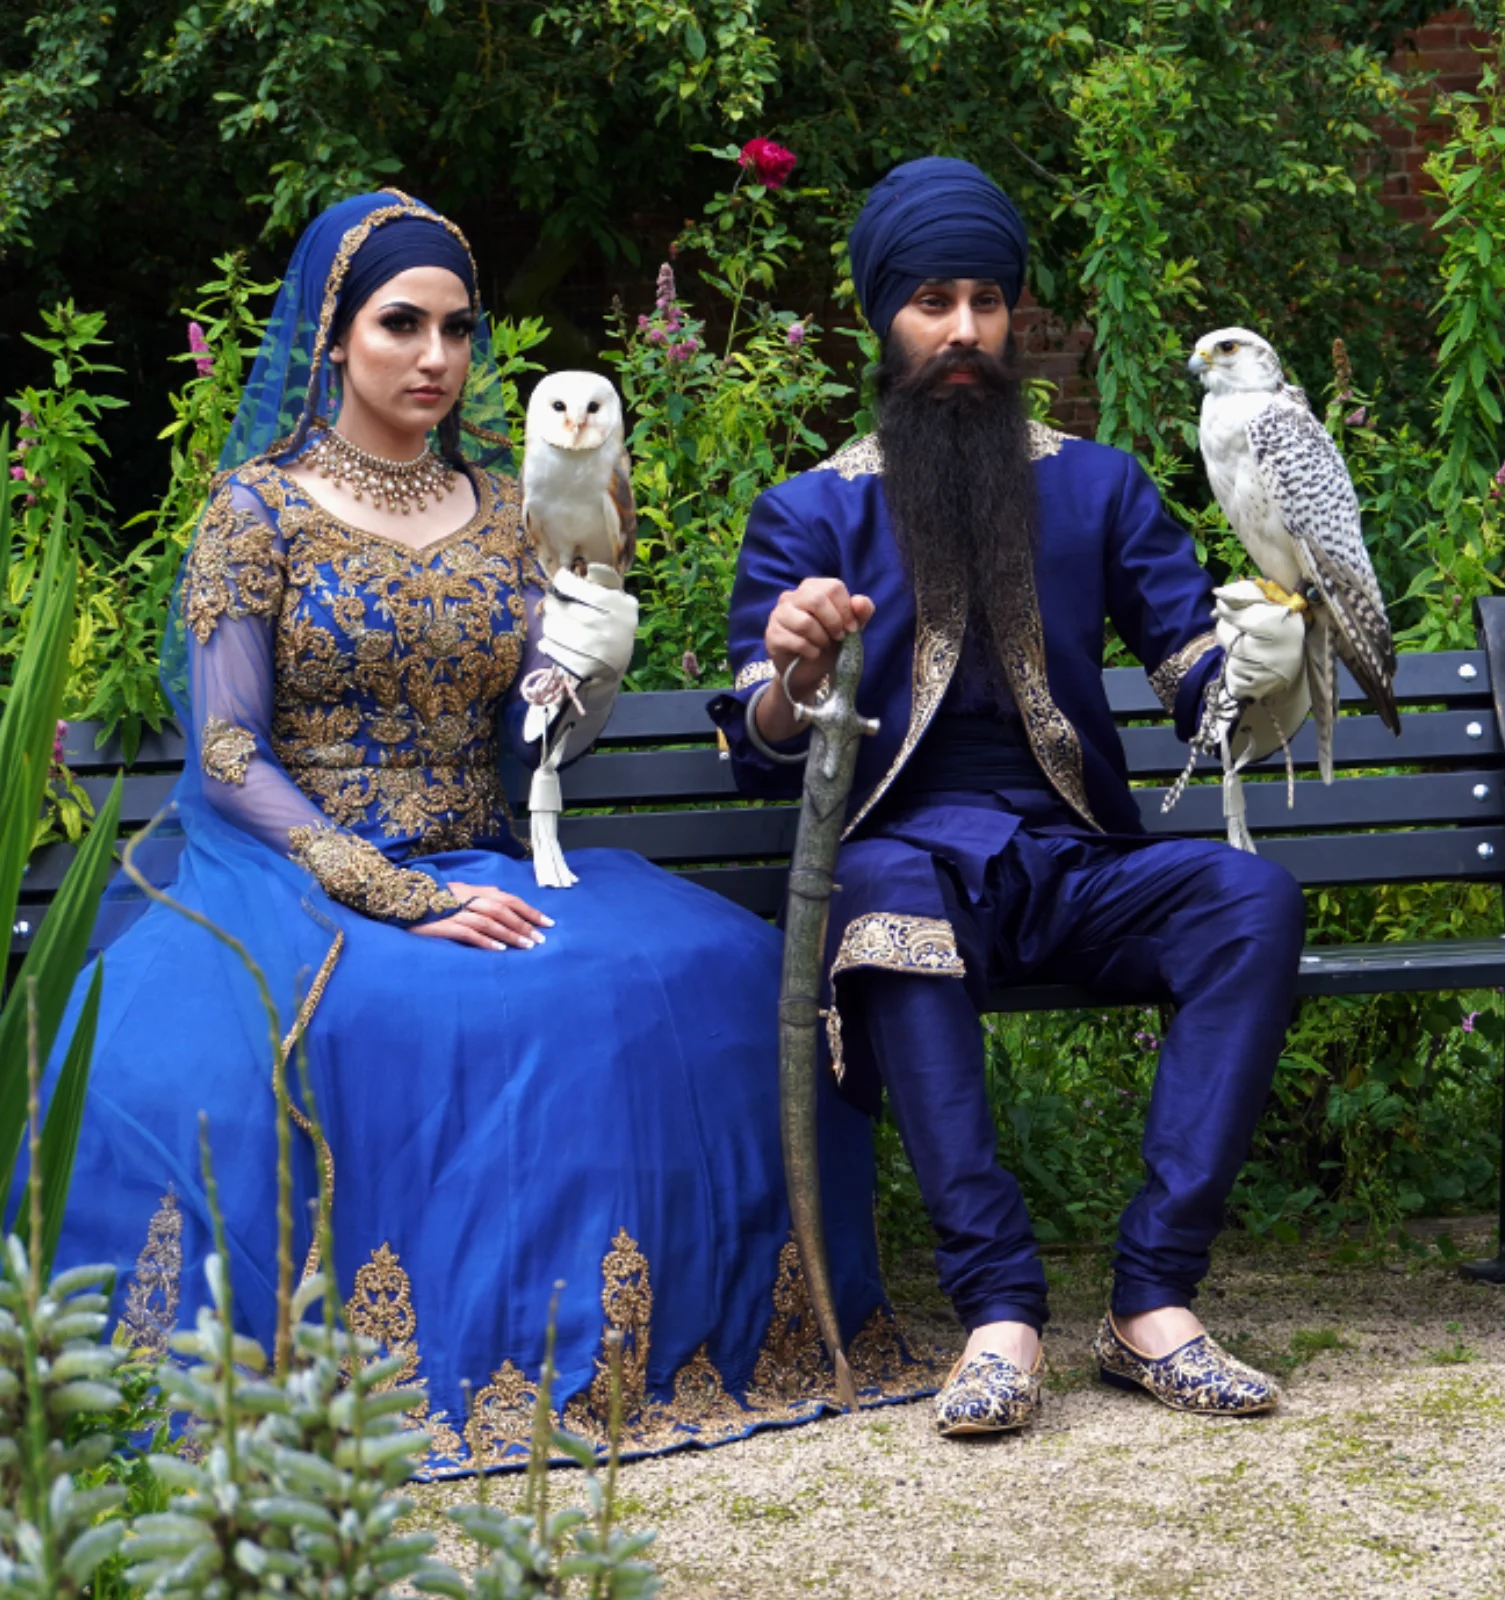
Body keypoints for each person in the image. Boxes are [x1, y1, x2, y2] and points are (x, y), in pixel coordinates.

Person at [30, 191, 937, 1474]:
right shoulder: (257, 510)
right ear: (334, 335)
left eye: (457, 329)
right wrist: (391, 892)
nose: (435, 357)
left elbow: (532, 740)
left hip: (489, 853)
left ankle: (640, 1348)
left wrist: (584, 668)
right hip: (303, 874)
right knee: (412, 1001)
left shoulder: (512, 508)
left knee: (706, 970)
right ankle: (413, 1370)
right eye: (401, 325)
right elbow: (227, 752)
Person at [709, 157, 1310, 1436]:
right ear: (882, 320)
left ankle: (1152, 1301)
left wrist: (1260, 663)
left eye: (986, 301)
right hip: (909, 871)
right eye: (932, 302)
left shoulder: (1097, 485)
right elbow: (761, 743)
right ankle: (997, 1312)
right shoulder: (809, 513)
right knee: (881, 884)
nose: (965, 331)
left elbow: (1194, 679)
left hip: (1073, 865)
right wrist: (793, 672)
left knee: (1248, 898)